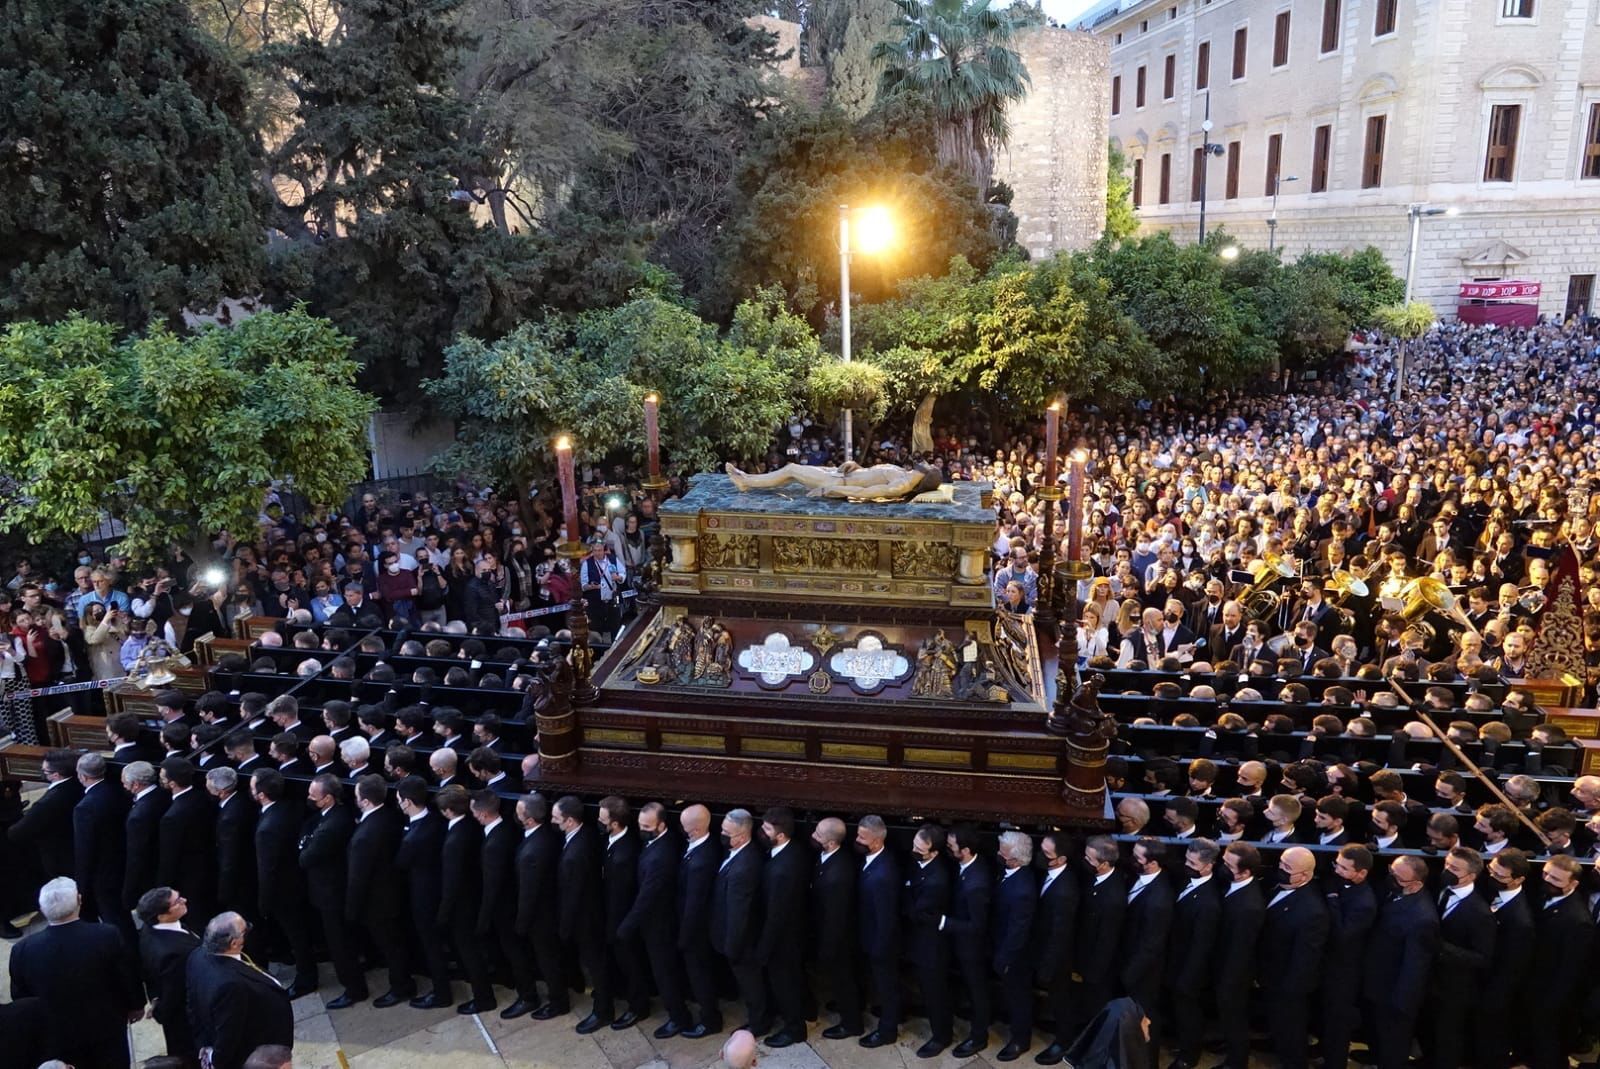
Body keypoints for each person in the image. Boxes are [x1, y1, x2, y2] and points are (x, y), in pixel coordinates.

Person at [7, 877, 143, 1069]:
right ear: (79, 900)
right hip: (106, 1028)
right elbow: (126, 976)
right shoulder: (106, 935)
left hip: (56, 1035)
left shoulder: (22, 950)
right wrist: (136, 1004)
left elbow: (21, 997)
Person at [617, 801, 690, 1038]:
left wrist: (628, 925)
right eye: (640, 824)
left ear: (661, 825)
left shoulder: (662, 855)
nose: (643, 829)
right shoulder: (656, 843)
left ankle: (679, 1017)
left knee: (665, 972)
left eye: (648, 826)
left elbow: (648, 896)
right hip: (653, 921)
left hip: (660, 924)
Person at [186, 912, 294, 1069]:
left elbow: (191, 1005)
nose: (249, 931)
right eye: (245, 930)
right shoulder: (230, 986)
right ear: (234, 943)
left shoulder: (197, 956)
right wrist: (214, 1057)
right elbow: (228, 1036)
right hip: (259, 1052)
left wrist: (203, 1043)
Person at [1361, 855, 1439, 1069]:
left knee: (1393, 1044)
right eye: (1391, 872)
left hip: (1395, 994)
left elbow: (1415, 966)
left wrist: (1402, 1002)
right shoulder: (1395, 893)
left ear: (1416, 884)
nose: (1391, 879)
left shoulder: (1422, 918)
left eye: (1398, 877)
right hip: (1379, 983)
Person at [347, 773, 415, 1008]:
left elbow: (358, 876)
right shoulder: (390, 815)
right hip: (392, 891)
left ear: (365, 801)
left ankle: (401, 986)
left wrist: (351, 909)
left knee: (391, 946)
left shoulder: (365, 835)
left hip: (378, 901)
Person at [1521, 853, 1594, 1069]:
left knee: (1548, 1044)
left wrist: (1552, 1002)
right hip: (1533, 983)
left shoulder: (1578, 920)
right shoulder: (1543, 894)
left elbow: (1571, 969)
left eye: (1555, 879)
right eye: (1546, 874)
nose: (1547, 880)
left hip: (1552, 994)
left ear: (1573, 884)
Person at [472, 788, 539, 1021]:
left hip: (505, 909)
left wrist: (483, 919)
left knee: (515, 952)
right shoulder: (508, 829)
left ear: (482, 814)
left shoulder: (493, 844)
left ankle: (528, 996)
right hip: (514, 902)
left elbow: (492, 886)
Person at [1257, 847, 1328, 1069]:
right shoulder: (1276, 886)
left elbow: (1305, 957)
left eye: (1288, 868)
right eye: (1281, 863)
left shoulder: (1312, 910)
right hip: (1271, 972)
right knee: (1277, 1022)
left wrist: (1291, 987)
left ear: (1305, 875)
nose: (1281, 869)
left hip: (1289, 982)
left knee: (1291, 1027)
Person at [249, 769, 316, 998]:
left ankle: (306, 977)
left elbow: (267, 870)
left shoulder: (267, 828)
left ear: (261, 795)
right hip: (298, 881)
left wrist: (264, 903)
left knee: (297, 936)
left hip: (283, 891)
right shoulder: (292, 807)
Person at [298, 773, 362, 1006]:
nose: (309, 798)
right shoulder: (328, 818)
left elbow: (306, 857)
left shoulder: (333, 824)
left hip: (332, 893)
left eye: (313, 796)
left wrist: (305, 844)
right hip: (328, 890)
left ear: (328, 799)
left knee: (340, 943)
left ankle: (354, 988)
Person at [393, 775, 452, 1009]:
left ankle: (441, 993)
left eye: (399, 800)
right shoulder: (436, 819)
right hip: (437, 888)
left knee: (431, 945)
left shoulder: (412, 839)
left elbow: (400, 863)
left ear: (407, 802)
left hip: (423, 897)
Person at [437, 785, 496, 1016]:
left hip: (462, 905)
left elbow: (451, 882)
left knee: (469, 952)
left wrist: (443, 913)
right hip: (474, 897)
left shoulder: (453, 840)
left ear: (448, 811)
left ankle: (483, 998)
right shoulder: (472, 826)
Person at [711, 808, 768, 1037]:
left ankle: (759, 1023)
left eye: (727, 832)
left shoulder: (744, 867)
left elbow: (739, 913)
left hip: (741, 942)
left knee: (751, 984)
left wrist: (732, 947)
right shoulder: (739, 853)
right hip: (733, 936)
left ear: (743, 837)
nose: (723, 835)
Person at [1164, 838, 1222, 1069]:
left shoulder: (1209, 903)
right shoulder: (1185, 880)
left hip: (1190, 969)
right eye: (1186, 859)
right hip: (1174, 960)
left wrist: (1189, 978)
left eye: (1193, 862)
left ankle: (1189, 1055)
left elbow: (1202, 946)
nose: (1187, 865)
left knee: (1189, 1012)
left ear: (1208, 866)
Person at [1319, 843, 1377, 1069]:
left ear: (1361, 873)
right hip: (1330, 964)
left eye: (1344, 868)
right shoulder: (1340, 882)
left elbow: (1344, 935)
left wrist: (1332, 900)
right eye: (1337, 865)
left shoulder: (1365, 902)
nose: (1337, 871)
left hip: (1345, 970)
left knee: (1338, 1021)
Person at [755, 807, 809, 1048]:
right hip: (794, 933)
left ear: (781, 835)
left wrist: (764, 949)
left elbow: (775, 915)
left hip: (783, 940)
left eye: (767, 829)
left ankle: (794, 1029)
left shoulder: (781, 870)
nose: (762, 832)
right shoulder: (793, 851)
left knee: (785, 984)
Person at [597, 795, 648, 1029]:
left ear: (615, 823)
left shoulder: (624, 854)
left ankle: (638, 1006)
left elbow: (621, 895)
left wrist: (615, 928)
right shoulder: (613, 840)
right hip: (612, 915)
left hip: (622, 919)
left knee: (631, 964)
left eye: (602, 819)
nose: (599, 822)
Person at [942, 824, 993, 1058]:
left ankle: (978, 1036)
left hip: (973, 949)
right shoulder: (966, 867)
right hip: (962, 946)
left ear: (965, 850)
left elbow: (978, 925)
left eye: (952, 846)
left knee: (977, 991)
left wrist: (945, 923)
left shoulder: (977, 883)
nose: (948, 848)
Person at [902, 823, 953, 1057]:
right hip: (918, 939)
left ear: (933, 853)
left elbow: (916, 911)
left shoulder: (937, 879)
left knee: (935, 992)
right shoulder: (918, 865)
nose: (914, 851)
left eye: (920, 849)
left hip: (932, 945)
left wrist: (906, 897)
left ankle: (941, 1036)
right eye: (914, 845)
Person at [809, 816, 861, 1041]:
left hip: (838, 938)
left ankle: (851, 1023)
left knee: (844, 980)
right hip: (832, 931)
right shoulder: (829, 858)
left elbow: (835, 916)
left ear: (830, 843)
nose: (813, 836)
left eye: (818, 834)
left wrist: (827, 948)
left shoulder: (838, 874)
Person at [137, 885, 202, 1064]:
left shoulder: (152, 929)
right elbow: (175, 993)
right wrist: (160, 1007)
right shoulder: (173, 953)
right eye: (177, 901)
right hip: (186, 1022)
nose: (184, 901)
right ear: (161, 915)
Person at [1071, 836, 1127, 1036]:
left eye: (1089, 859)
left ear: (1104, 864)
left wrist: (1093, 973)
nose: (1085, 861)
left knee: (1097, 1009)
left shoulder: (1113, 897)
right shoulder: (1094, 879)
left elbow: (1107, 940)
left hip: (1099, 968)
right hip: (1085, 958)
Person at [677, 803, 725, 1038]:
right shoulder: (707, 846)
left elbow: (693, 905)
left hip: (697, 932)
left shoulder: (701, 860)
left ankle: (709, 1020)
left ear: (694, 830)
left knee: (700, 975)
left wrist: (684, 938)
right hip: (701, 928)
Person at [991, 830, 1038, 1063]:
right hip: (1002, 944)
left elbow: (1017, 932)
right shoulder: (1008, 872)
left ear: (1017, 860)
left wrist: (1005, 959)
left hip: (1015, 956)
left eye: (1004, 854)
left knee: (1019, 998)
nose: (999, 856)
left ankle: (1020, 1039)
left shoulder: (1023, 890)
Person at [854, 814, 901, 1049]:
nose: (857, 840)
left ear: (875, 842)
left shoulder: (883, 874)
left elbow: (886, 918)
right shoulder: (873, 861)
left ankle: (887, 1030)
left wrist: (879, 949)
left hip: (881, 943)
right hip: (870, 937)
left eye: (862, 837)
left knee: (887, 986)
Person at [73, 751, 130, 930]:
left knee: (114, 917)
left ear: (82, 776)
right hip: (123, 859)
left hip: (103, 872)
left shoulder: (85, 808)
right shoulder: (118, 790)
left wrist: (81, 884)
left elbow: (85, 849)